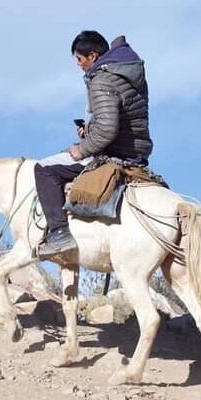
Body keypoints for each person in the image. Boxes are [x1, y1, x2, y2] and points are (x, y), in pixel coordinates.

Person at [35, 30, 153, 256]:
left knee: (43, 169)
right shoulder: (128, 73)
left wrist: (82, 149)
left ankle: (59, 234)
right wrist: (89, 130)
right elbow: (121, 118)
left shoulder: (102, 79)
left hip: (114, 153)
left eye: (80, 60)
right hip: (136, 150)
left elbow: (108, 128)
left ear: (93, 56)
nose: (79, 65)